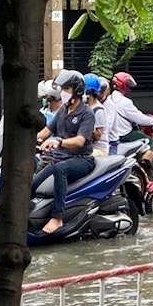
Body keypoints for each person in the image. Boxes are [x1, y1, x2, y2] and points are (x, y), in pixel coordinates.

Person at [33, 70, 96, 234]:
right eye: (63, 89)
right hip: (60, 158)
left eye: (67, 89)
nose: (63, 93)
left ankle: (57, 217)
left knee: (60, 169)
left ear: (77, 91)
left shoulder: (86, 113)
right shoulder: (62, 110)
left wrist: (58, 141)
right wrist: (31, 140)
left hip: (82, 159)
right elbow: (47, 130)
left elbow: (80, 141)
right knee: (33, 183)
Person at [107, 71, 153, 157]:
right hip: (125, 134)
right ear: (123, 85)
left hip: (112, 136)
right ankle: (147, 166)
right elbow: (140, 118)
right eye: (128, 84)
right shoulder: (125, 102)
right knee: (151, 143)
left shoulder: (109, 99)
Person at [84, 73, 110, 157]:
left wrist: (86, 124)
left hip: (99, 149)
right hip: (87, 147)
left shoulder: (98, 110)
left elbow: (98, 135)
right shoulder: (85, 107)